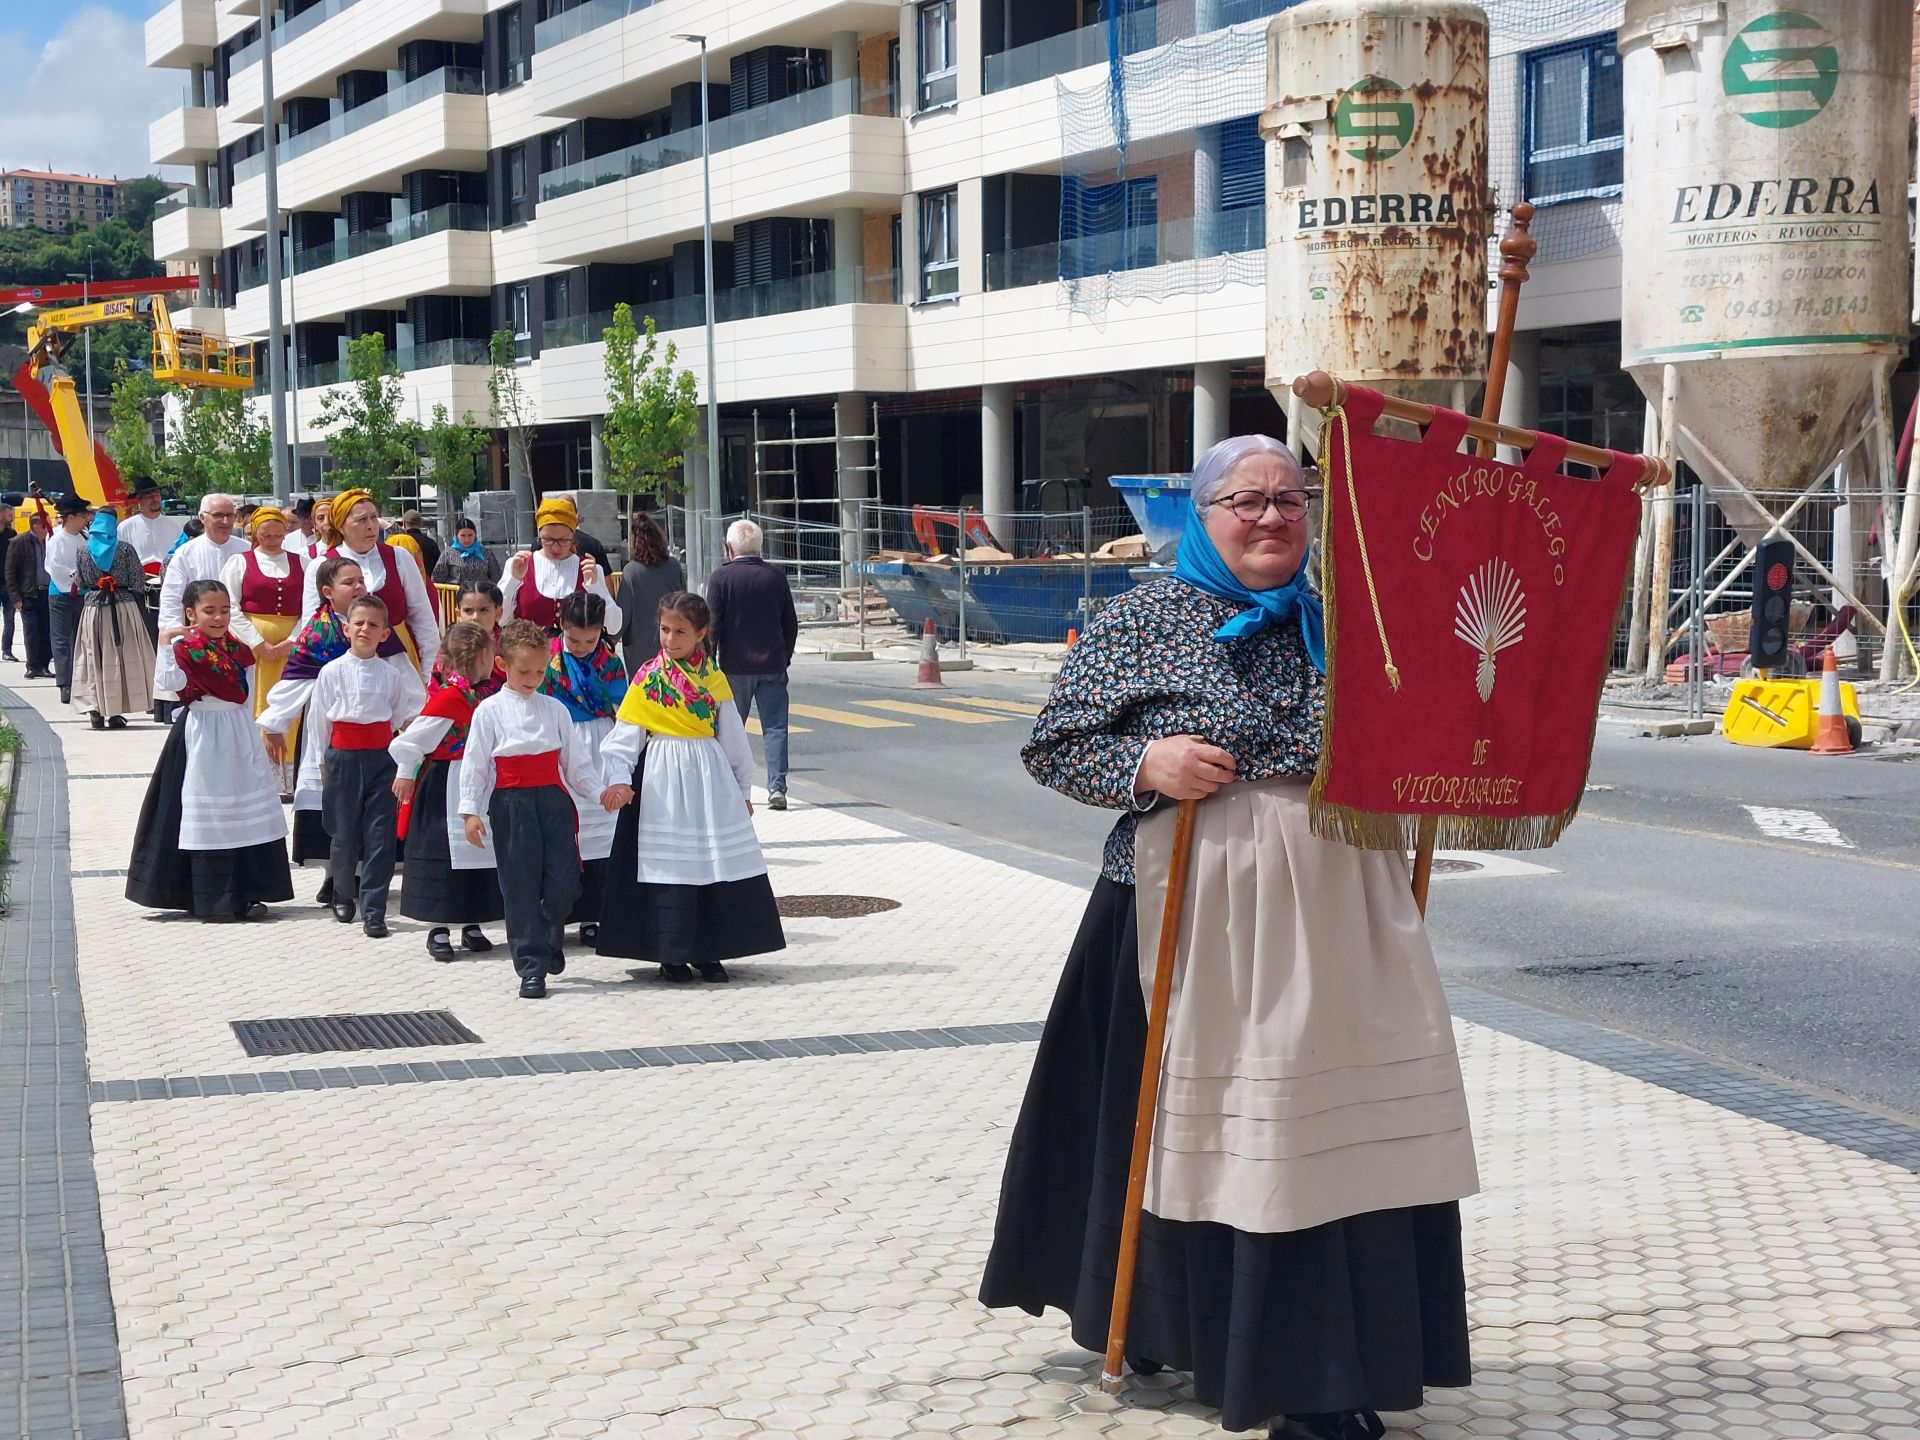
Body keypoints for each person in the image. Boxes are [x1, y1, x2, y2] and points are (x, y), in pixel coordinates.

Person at [976, 435, 1476, 1440]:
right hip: (1181, 908)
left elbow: (1430, 727)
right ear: (1203, 517)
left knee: (1317, 1131)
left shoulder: (1352, 620)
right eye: (1245, 500)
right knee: (1181, 1127)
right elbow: (1055, 745)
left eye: (1289, 498)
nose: (1271, 517)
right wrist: (1149, 763)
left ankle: (1320, 1367)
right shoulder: (1142, 618)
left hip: (1340, 908)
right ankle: (1167, 1321)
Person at [596, 592, 784, 984]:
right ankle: (671, 952)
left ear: (700, 633)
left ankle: (710, 950)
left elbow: (733, 737)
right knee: (669, 862)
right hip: (661, 777)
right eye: (665, 630)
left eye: (680, 631)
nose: (670, 639)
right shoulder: (648, 677)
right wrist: (618, 779)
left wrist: (742, 790)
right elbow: (626, 735)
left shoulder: (714, 678)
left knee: (711, 860)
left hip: (708, 775)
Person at [125, 579, 292, 922]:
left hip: (238, 731)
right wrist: (165, 643)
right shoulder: (186, 649)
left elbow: (246, 695)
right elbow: (169, 684)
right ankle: (208, 897)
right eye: (210, 611)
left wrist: (253, 734)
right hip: (201, 733)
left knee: (244, 809)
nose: (218, 618)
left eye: (225, 610)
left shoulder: (240, 650)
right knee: (205, 812)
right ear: (191, 613)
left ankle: (248, 891)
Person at [460, 619, 605, 1000]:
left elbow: (576, 763)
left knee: (564, 882)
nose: (533, 679)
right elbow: (475, 764)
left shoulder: (554, 709)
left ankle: (549, 931)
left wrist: (599, 792)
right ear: (503, 664)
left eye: (540, 671)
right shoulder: (489, 711)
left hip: (553, 800)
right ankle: (530, 965)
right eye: (524, 671)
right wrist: (470, 811)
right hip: (511, 803)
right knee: (520, 885)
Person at [273, 593, 422, 938]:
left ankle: (374, 908)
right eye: (359, 623)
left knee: (380, 835)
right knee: (344, 833)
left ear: (385, 633)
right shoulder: (331, 672)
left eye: (373, 625)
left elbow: (397, 714)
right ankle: (342, 892)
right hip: (342, 757)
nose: (365, 629)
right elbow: (319, 720)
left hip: (381, 758)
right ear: (347, 628)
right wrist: (321, 760)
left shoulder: (391, 675)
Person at [258, 557, 375, 901]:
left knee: (366, 801)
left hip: (370, 731)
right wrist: (275, 723)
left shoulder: (374, 625)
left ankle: (360, 874)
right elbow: (296, 678)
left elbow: (395, 671)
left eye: (360, 580)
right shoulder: (318, 633)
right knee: (328, 801)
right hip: (325, 731)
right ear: (328, 592)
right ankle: (333, 875)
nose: (357, 587)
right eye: (348, 582)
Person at [390, 621, 503, 962]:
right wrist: (406, 772)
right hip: (446, 783)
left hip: (481, 781)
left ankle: (472, 921)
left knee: (478, 851)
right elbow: (413, 740)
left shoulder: (489, 694)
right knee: (444, 854)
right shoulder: (451, 698)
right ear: (482, 656)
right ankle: (438, 927)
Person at [542, 591, 627, 947]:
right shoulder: (547, 657)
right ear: (561, 625)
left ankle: (593, 914)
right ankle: (555, 913)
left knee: (601, 834)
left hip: (601, 743)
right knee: (562, 832)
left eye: (590, 641)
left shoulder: (610, 663)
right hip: (559, 742)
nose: (581, 647)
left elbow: (624, 708)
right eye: (574, 639)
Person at [301, 487, 441, 685]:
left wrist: (429, 677)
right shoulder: (320, 566)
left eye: (374, 518)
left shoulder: (399, 557)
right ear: (341, 526)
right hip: (342, 664)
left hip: (399, 662)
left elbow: (423, 620)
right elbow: (310, 626)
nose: (371, 526)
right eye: (361, 520)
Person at [707, 518, 797, 810]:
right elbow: (790, 623)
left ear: (729, 547)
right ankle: (777, 788)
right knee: (776, 727)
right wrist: (784, 657)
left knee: (731, 728)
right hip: (772, 664)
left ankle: (729, 784)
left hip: (734, 667)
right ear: (760, 546)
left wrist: (709, 663)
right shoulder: (775, 577)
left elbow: (712, 626)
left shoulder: (721, 578)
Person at [220, 507, 306, 777]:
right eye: (266, 535)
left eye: (278, 535)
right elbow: (230, 606)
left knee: (289, 702)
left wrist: (292, 640)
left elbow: (311, 608)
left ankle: (287, 768)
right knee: (253, 702)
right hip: (252, 649)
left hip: (291, 650)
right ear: (255, 534)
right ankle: (256, 767)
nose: (272, 541)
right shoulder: (240, 562)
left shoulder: (302, 563)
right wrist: (258, 643)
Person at [156, 494, 250, 724]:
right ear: (202, 518)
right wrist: (176, 637)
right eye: (218, 515)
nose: (225, 521)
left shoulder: (245, 550)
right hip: (199, 642)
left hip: (238, 639)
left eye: (230, 516)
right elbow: (171, 600)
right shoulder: (185, 553)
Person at [70, 508, 157, 730]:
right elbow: (137, 581)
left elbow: (80, 582)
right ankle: (115, 712)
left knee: (94, 657)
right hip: (123, 607)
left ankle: (95, 709)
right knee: (120, 657)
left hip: (93, 608)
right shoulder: (125, 549)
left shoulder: (82, 550)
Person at [500, 495, 621, 636]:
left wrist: (595, 587)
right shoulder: (518, 565)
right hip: (526, 649)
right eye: (548, 539)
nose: (555, 547)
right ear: (539, 536)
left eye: (563, 540)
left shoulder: (589, 570)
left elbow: (614, 626)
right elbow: (500, 619)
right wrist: (513, 580)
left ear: (573, 536)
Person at [616, 511, 685, 671]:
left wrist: (610, 641)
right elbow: (685, 602)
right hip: (672, 644)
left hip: (640, 650)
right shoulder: (674, 566)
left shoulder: (631, 572)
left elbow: (623, 615)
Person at [47, 492, 92, 705]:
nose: (86, 519)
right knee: (62, 640)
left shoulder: (85, 537)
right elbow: (54, 566)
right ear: (71, 517)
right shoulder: (56, 539)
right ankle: (64, 683)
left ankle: (79, 680)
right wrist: (75, 576)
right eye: (82, 515)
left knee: (80, 639)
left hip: (82, 594)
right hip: (61, 594)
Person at [6, 505, 53, 678]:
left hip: (48, 593)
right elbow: (10, 571)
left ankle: (44, 665)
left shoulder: (51, 541)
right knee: (31, 631)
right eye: (46, 524)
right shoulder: (19, 542)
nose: (50, 527)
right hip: (28, 594)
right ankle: (33, 666)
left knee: (46, 631)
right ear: (36, 526)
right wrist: (15, 597)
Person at [118, 478, 173, 579]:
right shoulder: (125, 528)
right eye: (150, 496)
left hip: (167, 580)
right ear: (139, 499)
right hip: (137, 581)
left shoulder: (174, 526)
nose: (155, 499)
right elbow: (119, 560)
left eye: (157, 495)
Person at [432, 515, 498, 587]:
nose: (467, 539)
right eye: (463, 535)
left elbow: (496, 577)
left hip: (481, 593)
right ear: (457, 535)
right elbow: (437, 579)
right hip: (456, 593)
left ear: (475, 534)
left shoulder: (486, 553)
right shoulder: (448, 554)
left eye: (470, 535)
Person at [0, 495, 19, 662]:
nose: (12, 516)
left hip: (8, 583)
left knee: (9, 619)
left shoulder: (12, 534)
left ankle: (7, 650)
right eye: (9, 514)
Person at [398, 509, 442, 578]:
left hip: (405, 583)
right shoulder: (431, 544)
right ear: (420, 524)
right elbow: (438, 568)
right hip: (426, 583)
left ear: (404, 523)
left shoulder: (399, 542)